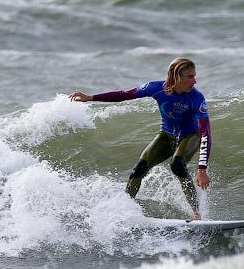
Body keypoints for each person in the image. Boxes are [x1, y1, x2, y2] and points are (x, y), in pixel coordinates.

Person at [69, 58, 211, 220]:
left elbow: (205, 132)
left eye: (194, 76)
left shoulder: (196, 98)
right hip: (166, 135)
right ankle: (124, 211)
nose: (194, 81)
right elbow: (125, 94)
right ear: (176, 77)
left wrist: (201, 169)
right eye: (189, 76)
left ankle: (196, 214)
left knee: (177, 165)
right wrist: (90, 97)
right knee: (138, 170)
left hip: (190, 136)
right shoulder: (156, 88)